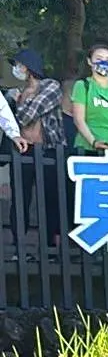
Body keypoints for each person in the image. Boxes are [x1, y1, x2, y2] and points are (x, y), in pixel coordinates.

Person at [7, 49, 66, 245]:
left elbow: (26, 115)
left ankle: (49, 246)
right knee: (20, 200)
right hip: (23, 149)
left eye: (19, 65)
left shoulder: (50, 86)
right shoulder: (19, 91)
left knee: (50, 198)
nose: (16, 69)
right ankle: (19, 246)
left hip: (48, 148)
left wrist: (18, 101)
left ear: (29, 68)